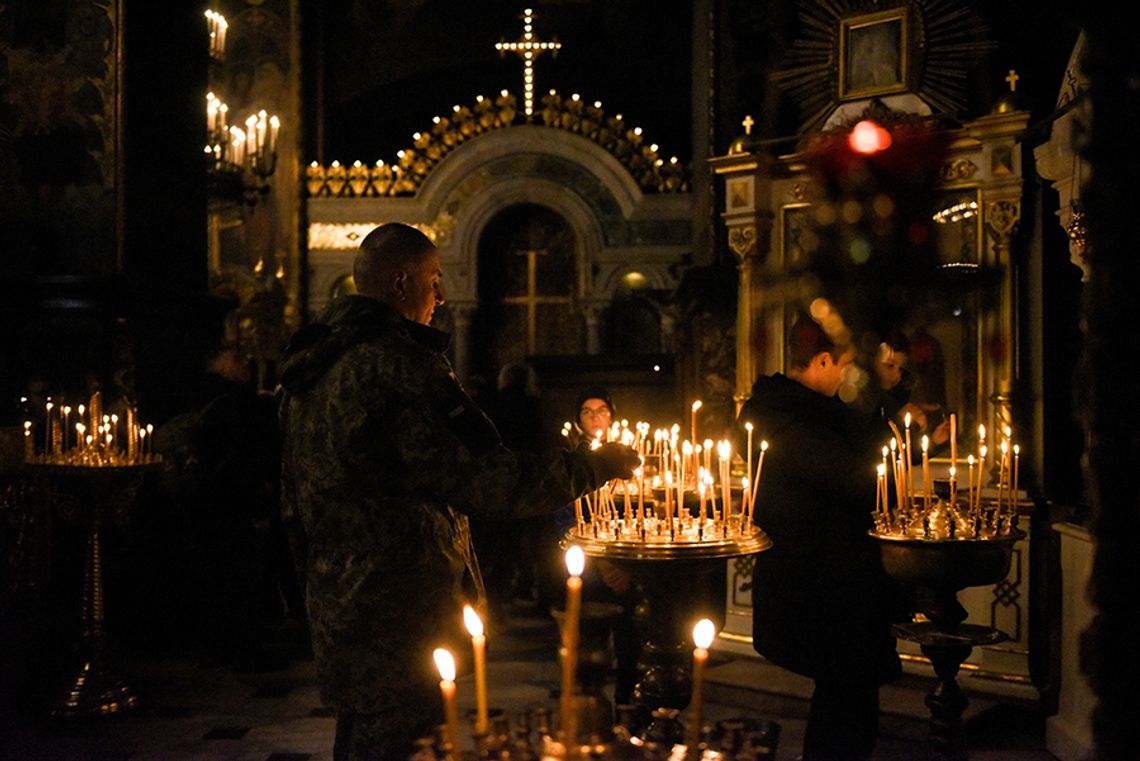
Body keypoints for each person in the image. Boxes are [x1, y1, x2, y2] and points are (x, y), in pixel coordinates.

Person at [278, 223, 639, 761]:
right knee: (406, 743)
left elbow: (293, 500)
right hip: (401, 609)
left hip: (339, 599)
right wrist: (594, 467)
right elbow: (485, 481)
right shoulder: (396, 365)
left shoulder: (316, 364)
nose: (441, 296)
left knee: (362, 736)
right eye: (434, 280)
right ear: (401, 282)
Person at [736, 315, 905, 761]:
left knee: (846, 707)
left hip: (838, 588)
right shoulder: (787, 420)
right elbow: (860, 477)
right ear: (825, 359)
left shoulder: (812, 413)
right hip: (817, 591)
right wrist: (878, 399)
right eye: (852, 365)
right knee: (845, 716)